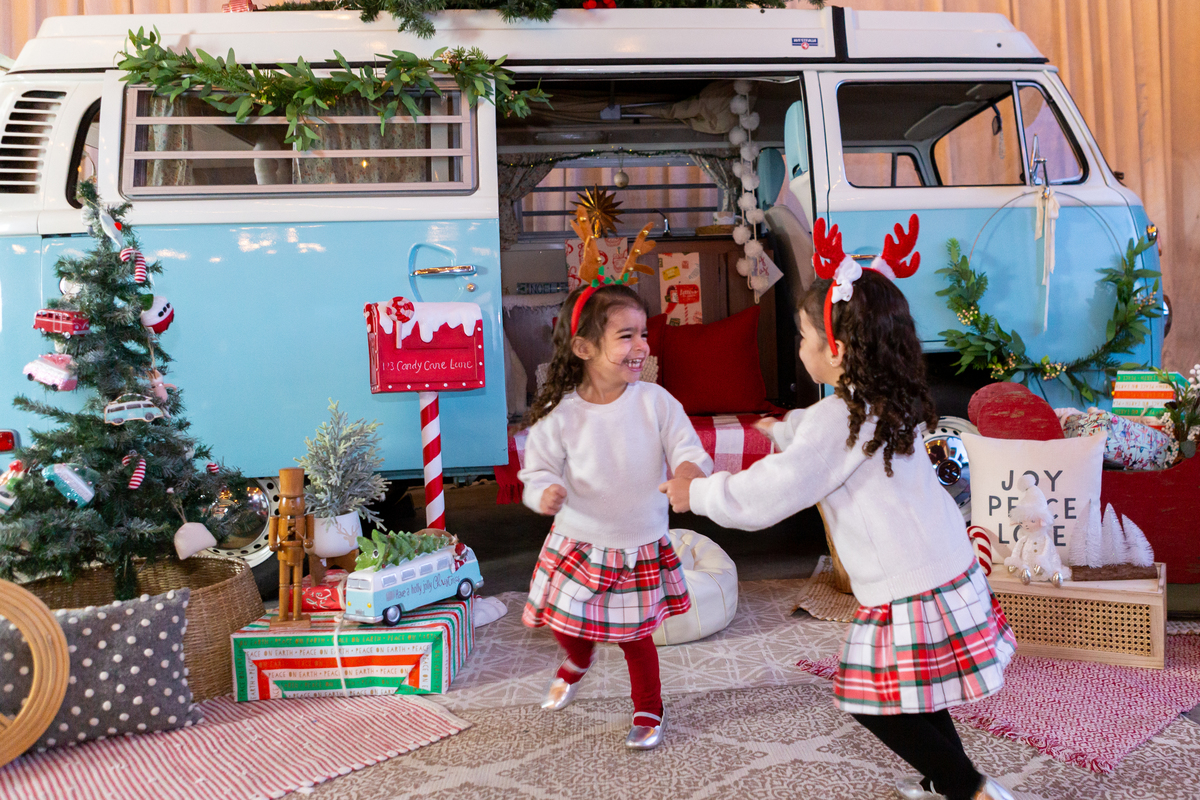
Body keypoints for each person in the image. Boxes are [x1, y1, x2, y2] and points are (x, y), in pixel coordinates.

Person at [660, 249, 1017, 799]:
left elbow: (768, 495)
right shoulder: (886, 397)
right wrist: (786, 429)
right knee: (916, 690)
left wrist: (698, 493)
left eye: (804, 338)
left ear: (838, 350)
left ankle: (969, 788)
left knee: (871, 700)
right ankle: (945, 781)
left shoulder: (838, 419)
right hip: (945, 566)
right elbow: (828, 438)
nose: (800, 348)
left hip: (906, 586)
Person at [520, 281, 711, 750]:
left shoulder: (655, 402)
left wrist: (688, 473)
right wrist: (544, 492)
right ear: (584, 347)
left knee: (635, 638)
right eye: (627, 336)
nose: (642, 346)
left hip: (637, 544)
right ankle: (578, 660)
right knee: (563, 621)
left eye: (643, 334)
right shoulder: (560, 414)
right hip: (577, 540)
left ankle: (649, 706)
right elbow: (537, 471)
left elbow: (689, 450)